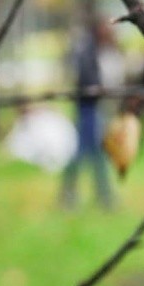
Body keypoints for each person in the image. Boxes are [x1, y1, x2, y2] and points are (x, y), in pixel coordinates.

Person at [60, 16, 116, 207]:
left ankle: (101, 196)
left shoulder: (93, 49)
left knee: (94, 154)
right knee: (86, 154)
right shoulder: (87, 50)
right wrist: (97, 88)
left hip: (92, 108)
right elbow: (85, 79)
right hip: (87, 109)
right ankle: (99, 197)